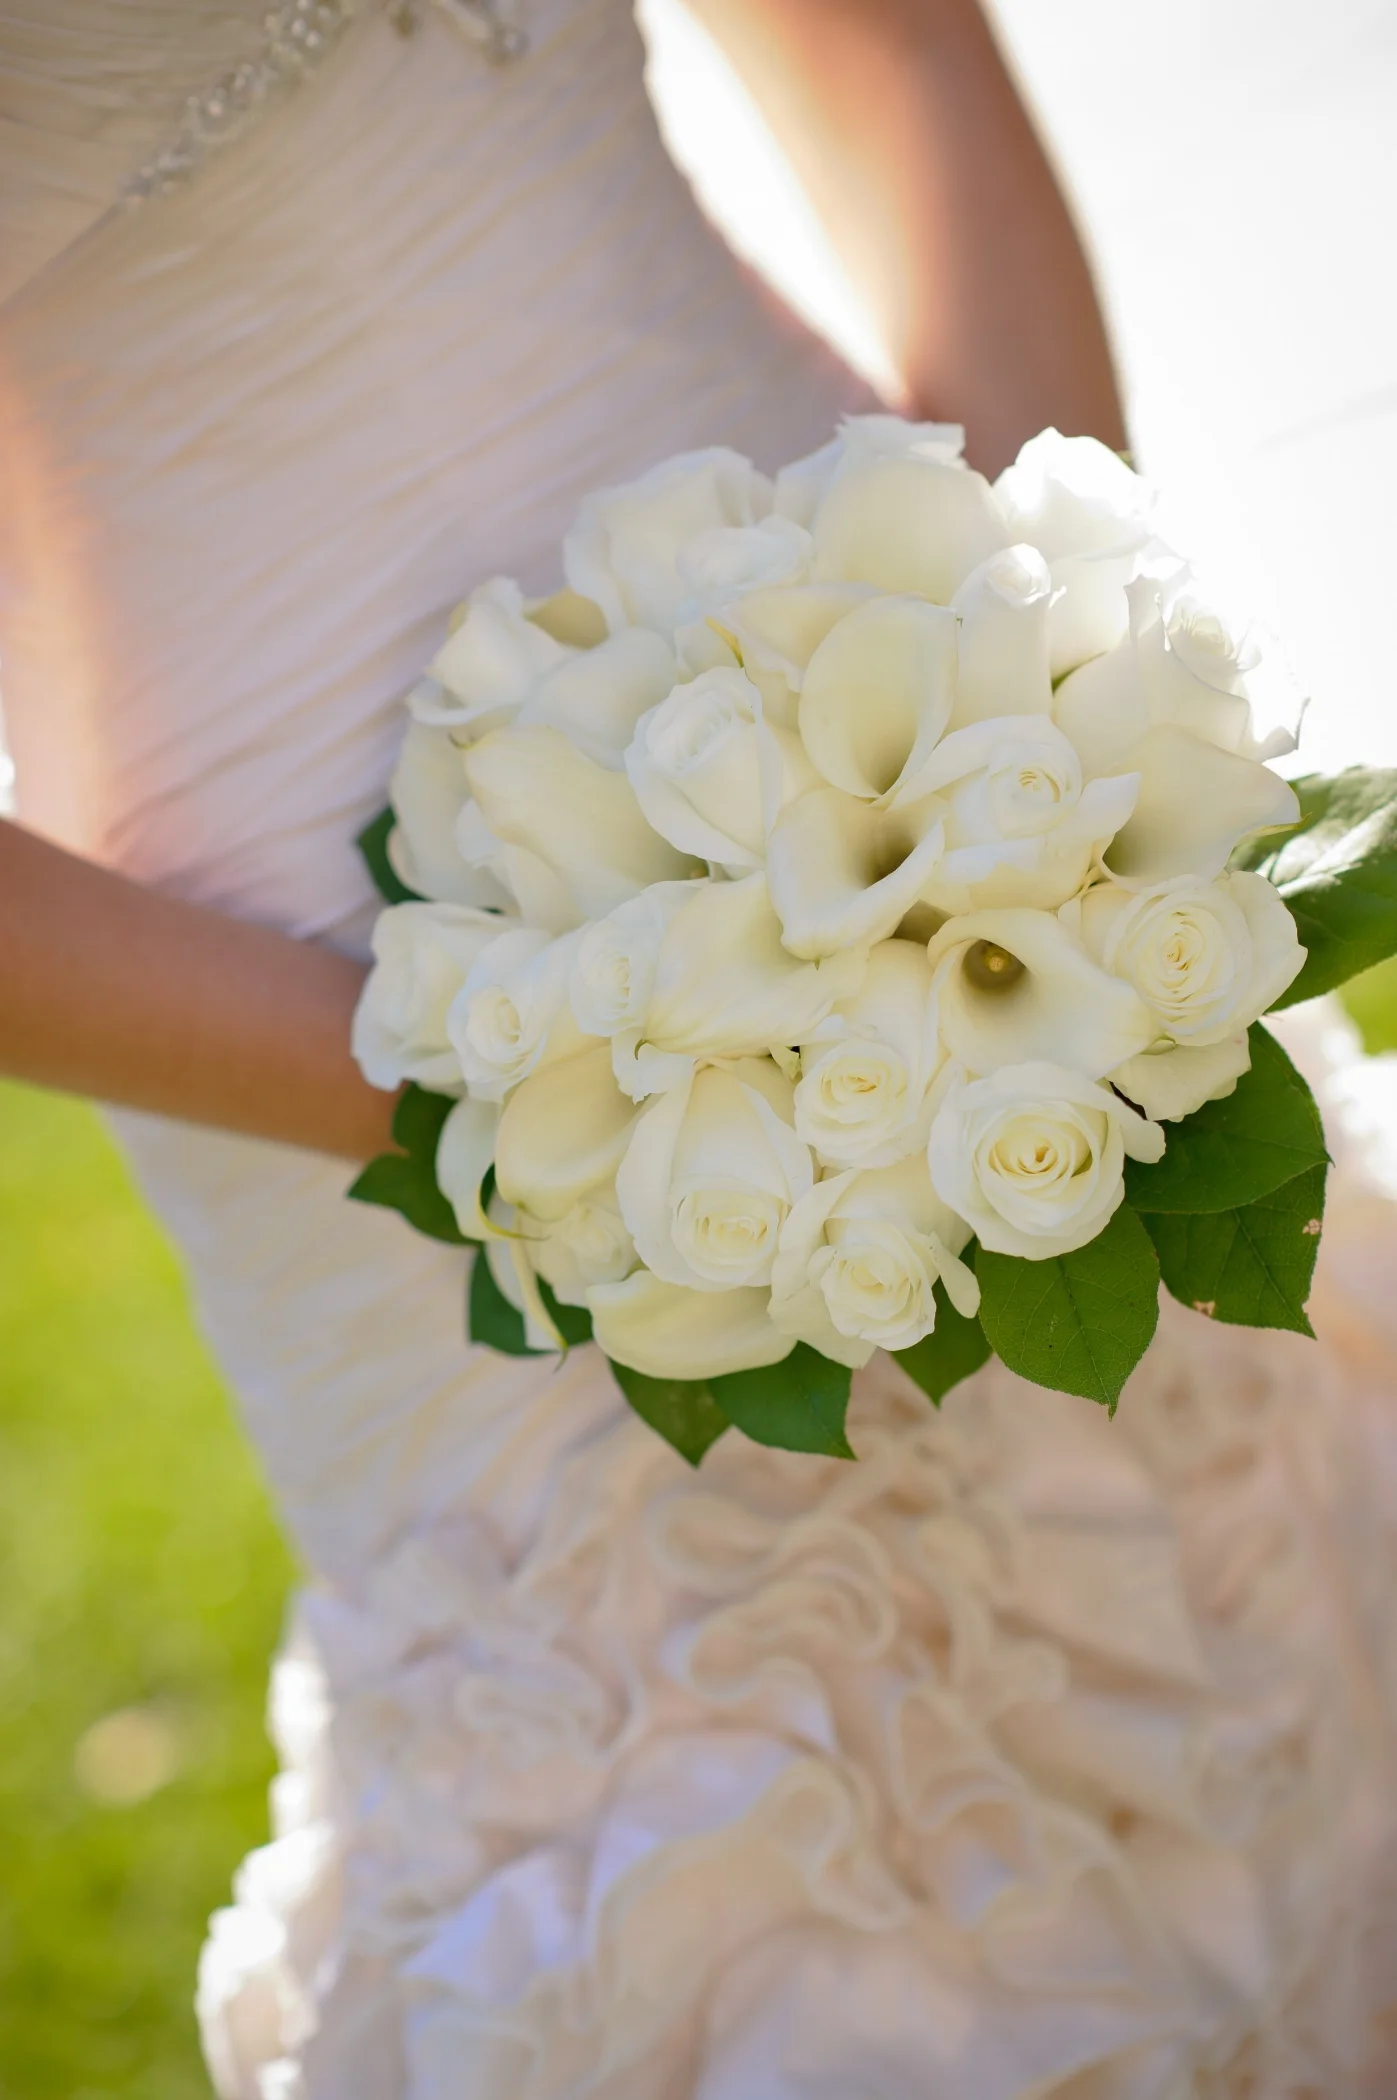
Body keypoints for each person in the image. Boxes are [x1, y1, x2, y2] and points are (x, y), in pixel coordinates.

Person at [1, 3, 1394, 2094]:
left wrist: (1030, 697)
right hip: (323, 962)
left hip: (863, 630)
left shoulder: (988, 715)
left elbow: (891, 50)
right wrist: (515, 1085)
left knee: (1221, 1525)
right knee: (724, 1788)